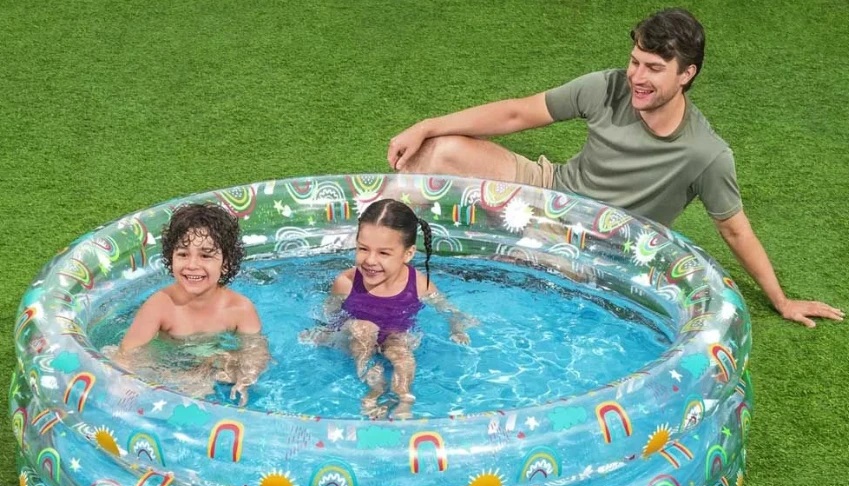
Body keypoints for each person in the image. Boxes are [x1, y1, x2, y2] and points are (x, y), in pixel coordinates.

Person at [387, 7, 843, 328]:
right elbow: (516, 113)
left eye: (654, 68)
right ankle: (375, 257)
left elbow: (734, 230)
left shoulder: (705, 153)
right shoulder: (607, 88)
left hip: (599, 239)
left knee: (533, 271)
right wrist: (426, 126)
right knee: (437, 152)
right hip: (552, 189)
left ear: (686, 74)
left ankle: (457, 286)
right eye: (635, 61)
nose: (637, 77)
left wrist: (781, 299)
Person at [303, 198, 473, 420]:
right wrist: (323, 334)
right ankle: (374, 390)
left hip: (397, 336)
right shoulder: (345, 283)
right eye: (363, 249)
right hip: (356, 338)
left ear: (408, 254)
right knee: (363, 329)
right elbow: (331, 316)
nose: (370, 260)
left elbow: (450, 310)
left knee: (401, 352)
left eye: (383, 253)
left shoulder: (419, 285)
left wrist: (457, 329)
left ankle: (404, 400)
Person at [116, 202, 269, 405]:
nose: (192, 265)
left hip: (216, 365)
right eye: (183, 254)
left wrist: (245, 377)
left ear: (225, 264)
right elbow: (126, 355)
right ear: (171, 258)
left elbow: (256, 352)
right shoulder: (160, 306)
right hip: (171, 370)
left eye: (205, 255)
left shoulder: (240, 309)